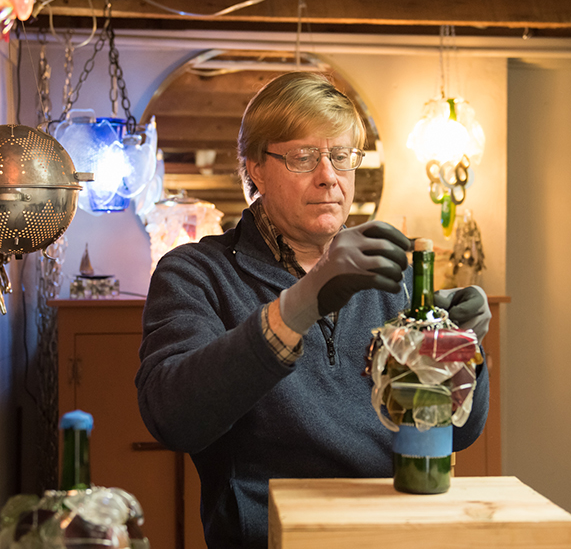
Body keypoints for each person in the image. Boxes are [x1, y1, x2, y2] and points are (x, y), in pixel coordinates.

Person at [136, 71, 491, 549]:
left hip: (395, 534)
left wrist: (461, 355)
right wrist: (305, 301)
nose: (328, 175)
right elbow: (174, 417)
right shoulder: (197, 274)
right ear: (255, 167)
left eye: (341, 157)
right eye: (303, 157)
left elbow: (460, 432)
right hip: (274, 538)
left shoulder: (395, 282)